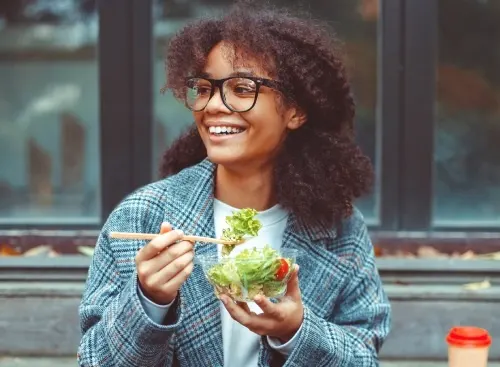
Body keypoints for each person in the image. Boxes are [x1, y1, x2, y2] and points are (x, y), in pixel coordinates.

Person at [78, 2, 391, 367]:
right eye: (205, 88)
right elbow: (94, 361)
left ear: (296, 111)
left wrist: (296, 331)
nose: (212, 105)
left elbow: (363, 358)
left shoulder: (339, 230)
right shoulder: (142, 217)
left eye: (243, 88)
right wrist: (149, 300)